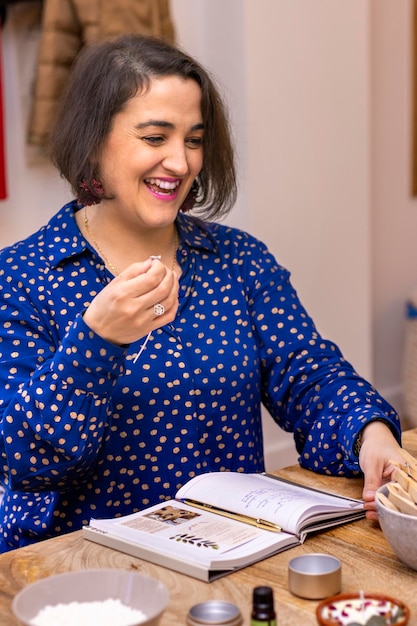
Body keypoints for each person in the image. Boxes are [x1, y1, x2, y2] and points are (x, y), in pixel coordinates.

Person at [0, 34, 404, 552]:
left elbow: (309, 375)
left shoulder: (238, 260)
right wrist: (94, 342)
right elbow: (23, 456)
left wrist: (370, 432)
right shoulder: (20, 277)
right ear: (93, 138)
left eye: (193, 139)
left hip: (232, 561)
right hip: (82, 574)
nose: (180, 162)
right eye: (155, 137)